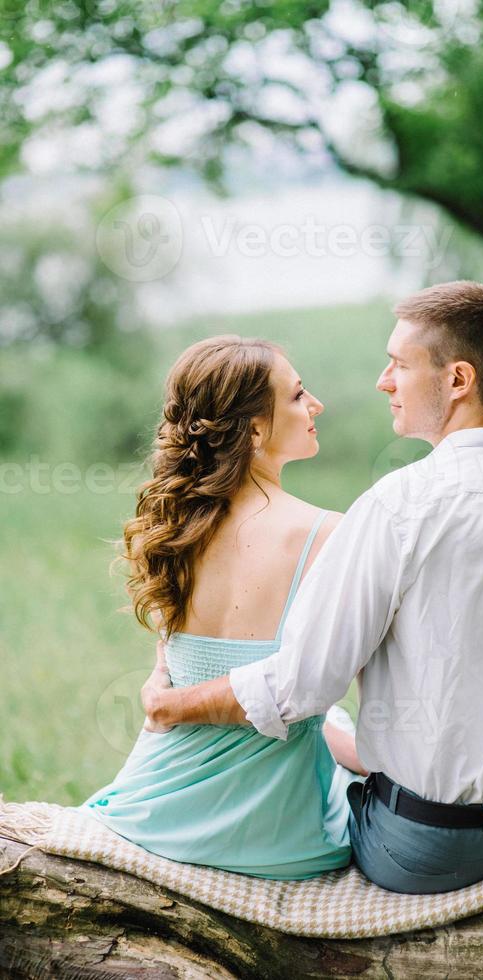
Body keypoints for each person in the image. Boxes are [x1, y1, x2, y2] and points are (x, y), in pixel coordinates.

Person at [142, 281, 483, 895]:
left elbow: (303, 685)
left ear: (458, 380)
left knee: (332, 790)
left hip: (429, 851)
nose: (383, 380)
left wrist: (170, 704)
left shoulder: (396, 507)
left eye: (399, 364)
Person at [79, 335, 366, 879]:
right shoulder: (329, 533)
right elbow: (303, 688)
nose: (316, 405)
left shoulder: (177, 527)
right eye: (300, 395)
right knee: (342, 736)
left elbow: (179, 672)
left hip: (153, 811)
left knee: (334, 724)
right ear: (255, 429)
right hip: (276, 837)